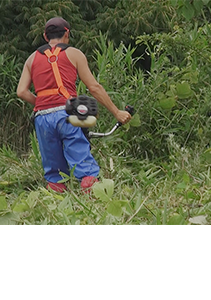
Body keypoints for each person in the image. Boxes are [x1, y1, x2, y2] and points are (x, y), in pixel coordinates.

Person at [15, 17, 132, 193]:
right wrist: (117, 112)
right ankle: (92, 198)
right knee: (82, 161)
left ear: (46, 36)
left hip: (42, 117)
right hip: (67, 113)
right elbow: (94, 87)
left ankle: (55, 204)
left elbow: (21, 92)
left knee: (54, 173)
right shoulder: (74, 53)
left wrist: (42, 104)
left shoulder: (31, 59)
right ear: (67, 33)